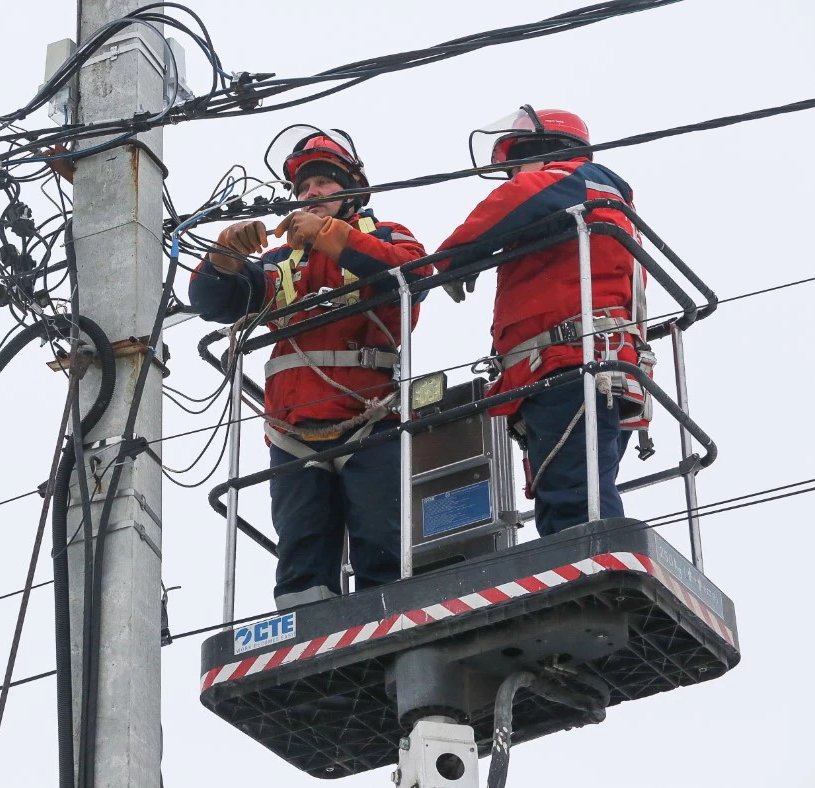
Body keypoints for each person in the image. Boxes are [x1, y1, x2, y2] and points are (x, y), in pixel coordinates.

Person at [188, 126, 430, 609]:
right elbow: (212, 302)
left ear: (353, 190)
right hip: (292, 428)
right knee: (300, 556)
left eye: (323, 183)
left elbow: (415, 276)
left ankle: (388, 631)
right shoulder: (280, 260)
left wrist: (328, 235)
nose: (310, 194)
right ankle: (308, 637)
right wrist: (224, 257)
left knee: (382, 544)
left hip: (372, 418)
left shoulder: (385, 236)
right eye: (302, 188)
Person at [436, 106, 654, 537]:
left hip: (573, 363)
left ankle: (598, 574)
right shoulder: (570, 208)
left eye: (518, 161)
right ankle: (583, 578)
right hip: (569, 366)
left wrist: (454, 256)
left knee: (576, 496)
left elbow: (517, 198)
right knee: (565, 493)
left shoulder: (580, 179)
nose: (514, 176)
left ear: (549, 151)